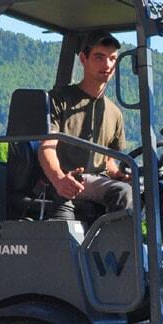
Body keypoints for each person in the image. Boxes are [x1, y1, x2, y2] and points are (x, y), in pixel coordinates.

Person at [38, 30, 134, 220]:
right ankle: (117, 241)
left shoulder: (114, 112)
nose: (107, 65)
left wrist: (118, 175)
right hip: (73, 178)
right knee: (123, 193)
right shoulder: (60, 99)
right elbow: (46, 148)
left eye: (112, 59)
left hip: (100, 180)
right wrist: (59, 179)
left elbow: (108, 160)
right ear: (83, 59)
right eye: (99, 57)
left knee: (152, 191)